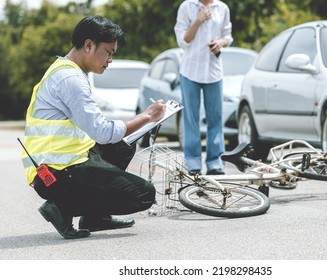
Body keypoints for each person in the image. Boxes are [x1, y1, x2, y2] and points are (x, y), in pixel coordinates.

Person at [21, 16, 166, 239]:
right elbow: (102, 132)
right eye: (109, 52)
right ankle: (61, 206)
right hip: (55, 173)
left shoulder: (68, 70)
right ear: (89, 45)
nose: (110, 60)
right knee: (144, 195)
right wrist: (147, 116)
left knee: (122, 147)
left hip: (65, 161)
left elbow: (99, 130)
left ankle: (96, 218)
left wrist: (138, 123)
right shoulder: (71, 79)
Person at [174, 0, 233, 175]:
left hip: (214, 71)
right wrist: (198, 20)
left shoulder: (222, 8)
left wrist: (220, 43)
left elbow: (228, 36)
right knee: (191, 119)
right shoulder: (186, 7)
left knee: (215, 118)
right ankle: (192, 162)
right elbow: (183, 41)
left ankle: (215, 162)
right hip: (190, 71)